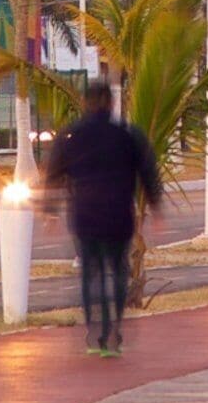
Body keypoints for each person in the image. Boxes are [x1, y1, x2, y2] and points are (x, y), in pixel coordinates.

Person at [50, 81, 161, 356]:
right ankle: (113, 329)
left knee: (90, 274)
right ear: (111, 103)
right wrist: (156, 207)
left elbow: (53, 174)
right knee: (119, 271)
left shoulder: (72, 135)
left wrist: (48, 211)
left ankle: (94, 332)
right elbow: (148, 171)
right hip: (117, 215)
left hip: (85, 215)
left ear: (85, 102)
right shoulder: (126, 134)